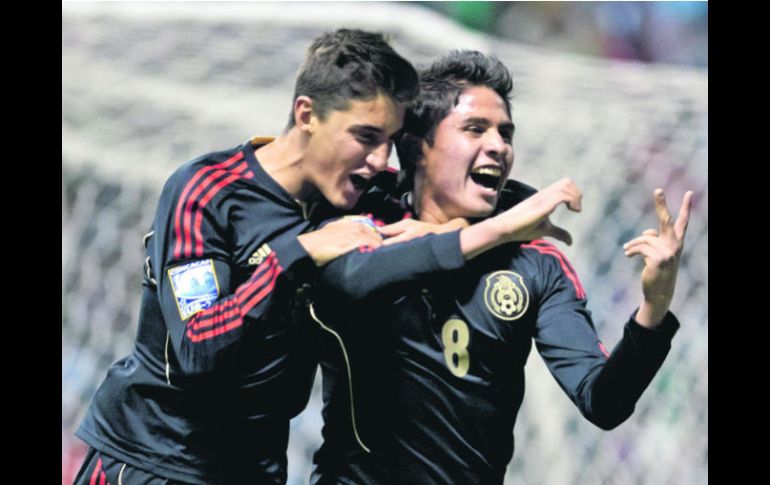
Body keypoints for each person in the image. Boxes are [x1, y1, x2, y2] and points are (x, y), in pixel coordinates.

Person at [309, 50, 693, 484]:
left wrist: (654, 308)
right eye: (475, 129)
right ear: (418, 147)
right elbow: (346, 281)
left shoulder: (535, 262)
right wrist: (470, 233)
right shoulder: (362, 225)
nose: (498, 146)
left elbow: (604, 403)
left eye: (505, 133)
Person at [73, 29, 421, 485]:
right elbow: (197, 346)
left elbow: (456, 204)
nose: (379, 159)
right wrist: (293, 256)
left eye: (390, 141)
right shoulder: (209, 191)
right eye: (366, 136)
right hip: (154, 460)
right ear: (307, 114)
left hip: (254, 468)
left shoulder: (359, 198)